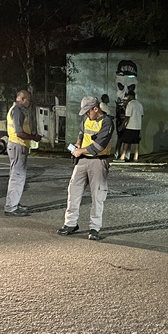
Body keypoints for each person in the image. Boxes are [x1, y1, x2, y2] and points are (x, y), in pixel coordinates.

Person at [58, 96, 115, 240]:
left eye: (88, 111)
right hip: (82, 161)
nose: (86, 115)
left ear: (96, 109)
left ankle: (94, 228)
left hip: (98, 161)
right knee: (73, 191)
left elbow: (99, 146)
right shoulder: (86, 119)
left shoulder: (107, 122)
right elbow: (82, 132)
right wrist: (78, 143)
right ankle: (70, 223)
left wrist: (80, 151)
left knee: (97, 196)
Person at [3, 89, 42, 216]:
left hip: (17, 146)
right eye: (28, 100)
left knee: (17, 176)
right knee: (17, 177)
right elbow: (19, 133)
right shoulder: (17, 111)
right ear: (23, 99)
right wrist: (33, 137)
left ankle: (14, 203)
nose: (29, 102)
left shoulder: (15, 109)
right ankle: (11, 207)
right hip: (18, 145)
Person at [118, 91, 143, 162]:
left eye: (128, 96)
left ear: (131, 96)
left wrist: (122, 126)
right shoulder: (139, 104)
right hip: (138, 126)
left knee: (126, 142)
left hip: (130, 126)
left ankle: (122, 157)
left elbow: (127, 117)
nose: (127, 98)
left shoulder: (130, 104)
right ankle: (136, 158)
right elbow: (142, 115)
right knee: (136, 143)